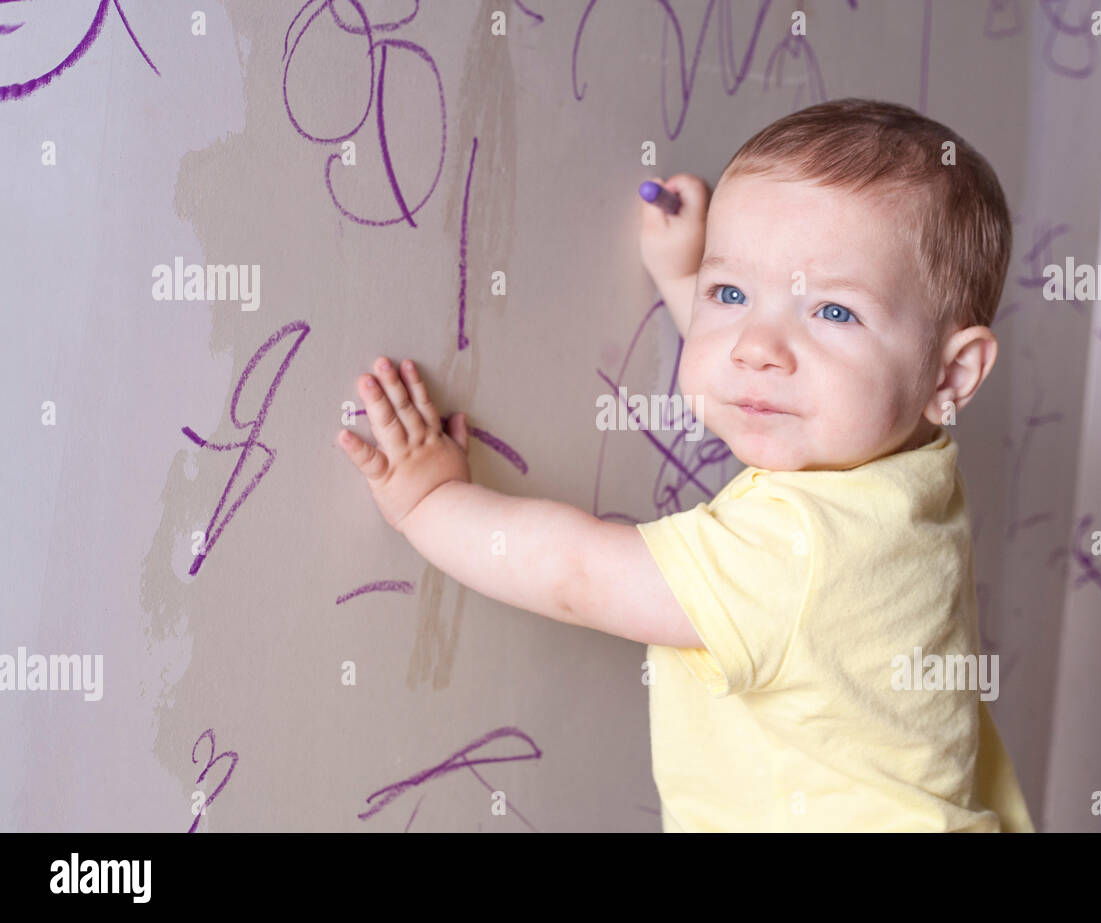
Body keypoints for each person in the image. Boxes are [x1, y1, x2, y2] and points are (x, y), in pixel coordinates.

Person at [338, 97, 1033, 832]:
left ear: (952, 376)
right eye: (730, 293)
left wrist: (430, 501)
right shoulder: (912, 469)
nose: (755, 347)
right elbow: (770, 382)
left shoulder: (790, 553)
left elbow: (578, 575)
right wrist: (684, 273)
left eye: (833, 311)